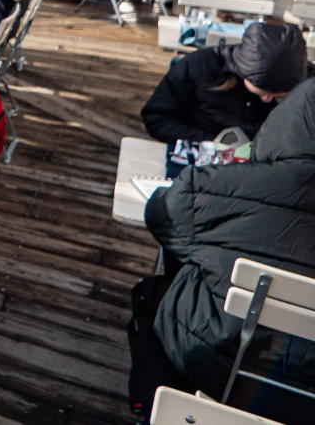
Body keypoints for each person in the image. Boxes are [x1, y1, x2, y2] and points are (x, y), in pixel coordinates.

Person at [131, 79, 315, 422]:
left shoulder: (212, 186)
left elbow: (160, 217)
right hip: (302, 403)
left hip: (200, 365)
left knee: (161, 288)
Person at [141, 22, 306, 170]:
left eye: (278, 97)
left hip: (267, 167)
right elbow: (157, 118)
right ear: (242, 71)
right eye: (261, 92)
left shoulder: (308, 85)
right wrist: (214, 142)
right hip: (199, 161)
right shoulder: (201, 66)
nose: (266, 100)